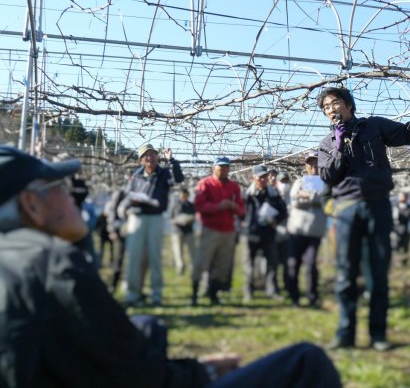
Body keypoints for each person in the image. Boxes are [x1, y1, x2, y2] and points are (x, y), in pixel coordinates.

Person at [0, 145, 342, 388]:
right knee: (307, 361)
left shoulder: (15, 259)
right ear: (32, 205)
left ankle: (204, 295)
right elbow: (135, 374)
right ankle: (196, 294)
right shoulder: (51, 262)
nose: (72, 194)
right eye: (58, 187)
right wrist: (201, 374)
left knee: (149, 326)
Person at [317, 84, 410, 351]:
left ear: (349, 105)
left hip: (377, 205)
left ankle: (378, 334)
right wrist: (339, 145)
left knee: (378, 271)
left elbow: (407, 134)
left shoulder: (373, 126)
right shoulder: (326, 144)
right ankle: (345, 333)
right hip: (346, 207)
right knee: (345, 273)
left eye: (335, 102)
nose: (331, 109)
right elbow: (327, 177)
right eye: (326, 107)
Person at [121, 143, 184, 307]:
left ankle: (157, 294)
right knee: (134, 257)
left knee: (155, 257)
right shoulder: (136, 176)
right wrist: (131, 203)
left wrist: (172, 161)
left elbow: (178, 179)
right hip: (137, 218)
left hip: (156, 218)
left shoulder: (164, 174)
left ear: (157, 157)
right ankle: (133, 294)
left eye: (153, 154)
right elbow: (127, 196)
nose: (150, 157)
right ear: (141, 160)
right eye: (146, 155)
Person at [192, 157, 245, 306]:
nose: (224, 170)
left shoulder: (234, 187)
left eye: (227, 167)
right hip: (210, 229)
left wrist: (234, 207)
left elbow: (241, 209)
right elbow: (200, 206)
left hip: (228, 230)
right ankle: (194, 295)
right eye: (221, 167)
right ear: (214, 168)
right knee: (203, 262)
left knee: (221, 265)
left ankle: (213, 295)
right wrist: (219, 206)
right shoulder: (205, 184)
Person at [285, 151, 328, 307]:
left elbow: (324, 200)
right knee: (293, 264)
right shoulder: (299, 182)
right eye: (310, 163)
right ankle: (294, 296)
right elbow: (295, 201)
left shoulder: (326, 182)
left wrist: (307, 196)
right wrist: (314, 198)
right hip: (296, 230)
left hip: (314, 231)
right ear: (306, 166)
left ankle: (312, 296)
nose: (314, 166)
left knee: (310, 265)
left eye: (316, 163)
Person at [242, 164, 288, 302]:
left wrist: (275, 219)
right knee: (249, 264)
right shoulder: (247, 195)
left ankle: (272, 290)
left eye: (265, 177)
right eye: (260, 178)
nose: (263, 180)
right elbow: (241, 212)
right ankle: (248, 291)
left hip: (269, 233)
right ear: (253, 178)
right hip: (252, 234)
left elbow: (283, 211)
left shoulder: (273, 194)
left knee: (272, 263)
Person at [170, 188, 197, 276]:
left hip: (189, 230)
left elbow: (194, 217)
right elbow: (171, 218)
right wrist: (176, 221)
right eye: (182, 195)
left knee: (192, 250)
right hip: (177, 231)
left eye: (185, 195)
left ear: (188, 196)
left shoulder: (191, 205)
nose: (183, 197)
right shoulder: (175, 205)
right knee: (178, 251)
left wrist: (190, 220)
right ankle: (180, 267)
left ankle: (193, 267)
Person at [391, 192, 410, 267]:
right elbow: (390, 219)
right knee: (395, 247)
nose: (402, 198)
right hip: (396, 230)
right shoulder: (395, 207)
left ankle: (404, 264)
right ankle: (395, 263)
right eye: (401, 197)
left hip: (406, 230)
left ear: (407, 198)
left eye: (404, 197)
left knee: (406, 247)